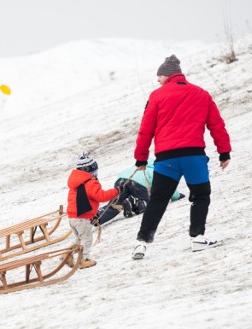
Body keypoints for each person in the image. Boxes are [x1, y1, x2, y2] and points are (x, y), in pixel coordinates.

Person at [131, 55, 231, 260]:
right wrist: (224, 152)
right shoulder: (201, 94)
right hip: (194, 157)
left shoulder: (157, 96)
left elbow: (145, 130)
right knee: (200, 195)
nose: (157, 80)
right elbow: (216, 125)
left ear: (166, 75)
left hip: (166, 159)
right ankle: (198, 238)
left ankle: (141, 244)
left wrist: (141, 159)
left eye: (159, 76)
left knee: (158, 200)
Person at [67, 151, 123, 269]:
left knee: (78, 238)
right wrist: (116, 191)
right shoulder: (90, 182)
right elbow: (101, 196)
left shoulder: (76, 183)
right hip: (82, 217)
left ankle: (67, 255)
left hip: (72, 217)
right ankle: (82, 260)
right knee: (87, 239)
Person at [95, 159, 184, 225]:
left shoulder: (141, 165)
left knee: (115, 205)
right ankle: (134, 203)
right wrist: (177, 196)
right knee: (147, 202)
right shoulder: (157, 170)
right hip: (138, 182)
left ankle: (96, 216)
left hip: (121, 179)